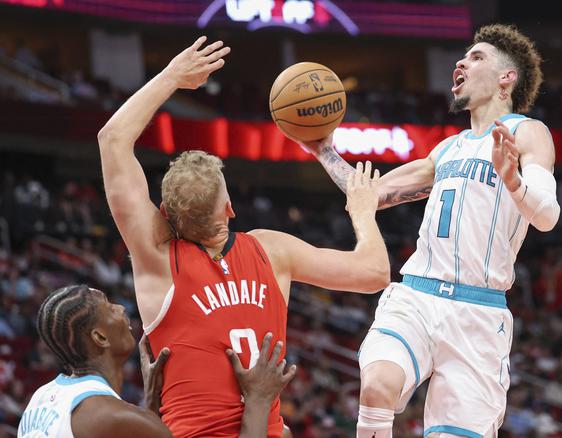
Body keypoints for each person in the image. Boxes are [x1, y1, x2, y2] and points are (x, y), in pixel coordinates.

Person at [97, 37, 390, 437]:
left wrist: (171, 77)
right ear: (230, 210)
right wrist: (362, 212)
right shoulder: (271, 250)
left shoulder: (158, 256)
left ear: (165, 215)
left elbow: (113, 139)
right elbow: (374, 273)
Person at [302, 24, 560, 437]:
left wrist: (513, 180)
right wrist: (324, 150)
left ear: (506, 78)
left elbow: (547, 216)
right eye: (464, 56)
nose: (461, 62)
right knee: (377, 386)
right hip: (418, 295)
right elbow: (372, 193)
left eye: (476, 57)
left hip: (480, 314)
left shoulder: (529, 133)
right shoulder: (446, 150)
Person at [18, 285, 296, 438]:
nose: (121, 308)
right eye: (110, 307)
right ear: (100, 337)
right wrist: (259, 401)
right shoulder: (113, 417)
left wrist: (149, 405)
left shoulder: (42, 398)